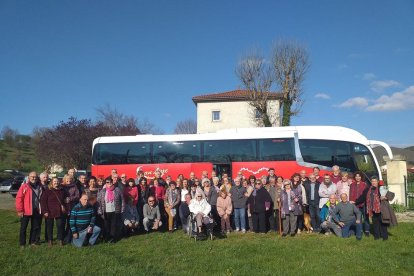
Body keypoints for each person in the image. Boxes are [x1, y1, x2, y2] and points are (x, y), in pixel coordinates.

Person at [16, 171, 43, 248]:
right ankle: (22, 244)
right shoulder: (24, 186)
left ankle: (32, 242)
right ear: (28, 177)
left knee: (35, 227)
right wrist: (20, 210)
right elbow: (19, 198)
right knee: (23, 228)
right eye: (32, 176)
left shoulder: (39, 186)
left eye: (35, 176)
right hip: (25, 211)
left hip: (36, 210)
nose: (34, 178)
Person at [97, 177, 125, 243]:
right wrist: (99, 210)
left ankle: (113, 238)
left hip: (115, 211)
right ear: (105, 183)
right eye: (107, 182)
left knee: (113, 225)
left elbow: (122, 200)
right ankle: (107, 237)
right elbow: (98, 201)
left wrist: (122, 208)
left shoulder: (117, 190)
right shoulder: (103, 191)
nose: (109, 183)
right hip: (105, 211)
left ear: (112, 182)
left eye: (110, 182)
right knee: (106, 225)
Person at [40, 177, 66, 246]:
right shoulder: (47, 191)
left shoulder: (62, 190)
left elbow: (64, 200)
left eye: (57, 181)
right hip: (49, 211)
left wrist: (65, 203)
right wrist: (45, 211)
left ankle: (60, 240)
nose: (56, 183)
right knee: (49, 226)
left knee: (60, 226)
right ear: (51, 183)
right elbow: (43, 202)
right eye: (54, 181)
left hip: (59, 211)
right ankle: (50, 240)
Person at [349, 172, 370, 236]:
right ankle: (360, 230)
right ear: (354, 177)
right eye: (356, 176)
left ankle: (367, 231)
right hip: (355, 205)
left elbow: (366, 195)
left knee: (366, 218)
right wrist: (351, 201)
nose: (357, 177)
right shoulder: (352, 185)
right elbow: (350, 194)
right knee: (358, 218)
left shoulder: (364, 185)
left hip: (363, 204)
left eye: (359, 176)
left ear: (361, 177)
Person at [62, 174, 79, 243]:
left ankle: (68, 238)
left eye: (70, 179)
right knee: (62, 224)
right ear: (64, 180)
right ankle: (61, 238)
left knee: (70, 223)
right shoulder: (62, 187)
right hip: (63, 207)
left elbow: (77, 196)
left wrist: (70, 199)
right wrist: (63, 199)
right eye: (67, 179)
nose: (69, 180)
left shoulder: (75, 186)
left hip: (72, 207)